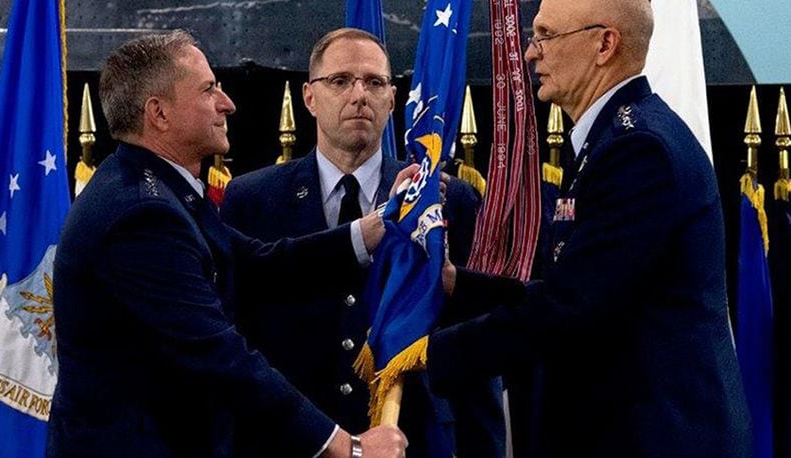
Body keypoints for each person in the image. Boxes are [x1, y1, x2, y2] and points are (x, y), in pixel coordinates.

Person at [47, 30, 410, 458]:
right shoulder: (140, 215)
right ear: (159, 114)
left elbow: (254, 263)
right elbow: (219, 356)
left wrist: (369, 232)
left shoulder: (163, 189)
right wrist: (347, 447)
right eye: (208, 90)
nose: (228, 103)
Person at [426, 0, 754, 456]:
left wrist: (428, 356)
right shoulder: (617, 138)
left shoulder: (639, 150)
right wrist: (458, 285)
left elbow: (573, 308)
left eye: (546, 35)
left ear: (604, 44)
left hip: (654, 437)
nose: (530, 53)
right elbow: (574, 287)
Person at [221, 28, 504, 457]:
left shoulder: (448, 199)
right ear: (309, 97)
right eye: (340, 81)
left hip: (416, 441)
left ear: (392, 99)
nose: (359, 95)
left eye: (374, 83)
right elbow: (236, 341)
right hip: (293, 442)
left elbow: (476, 347)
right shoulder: (253, 199)